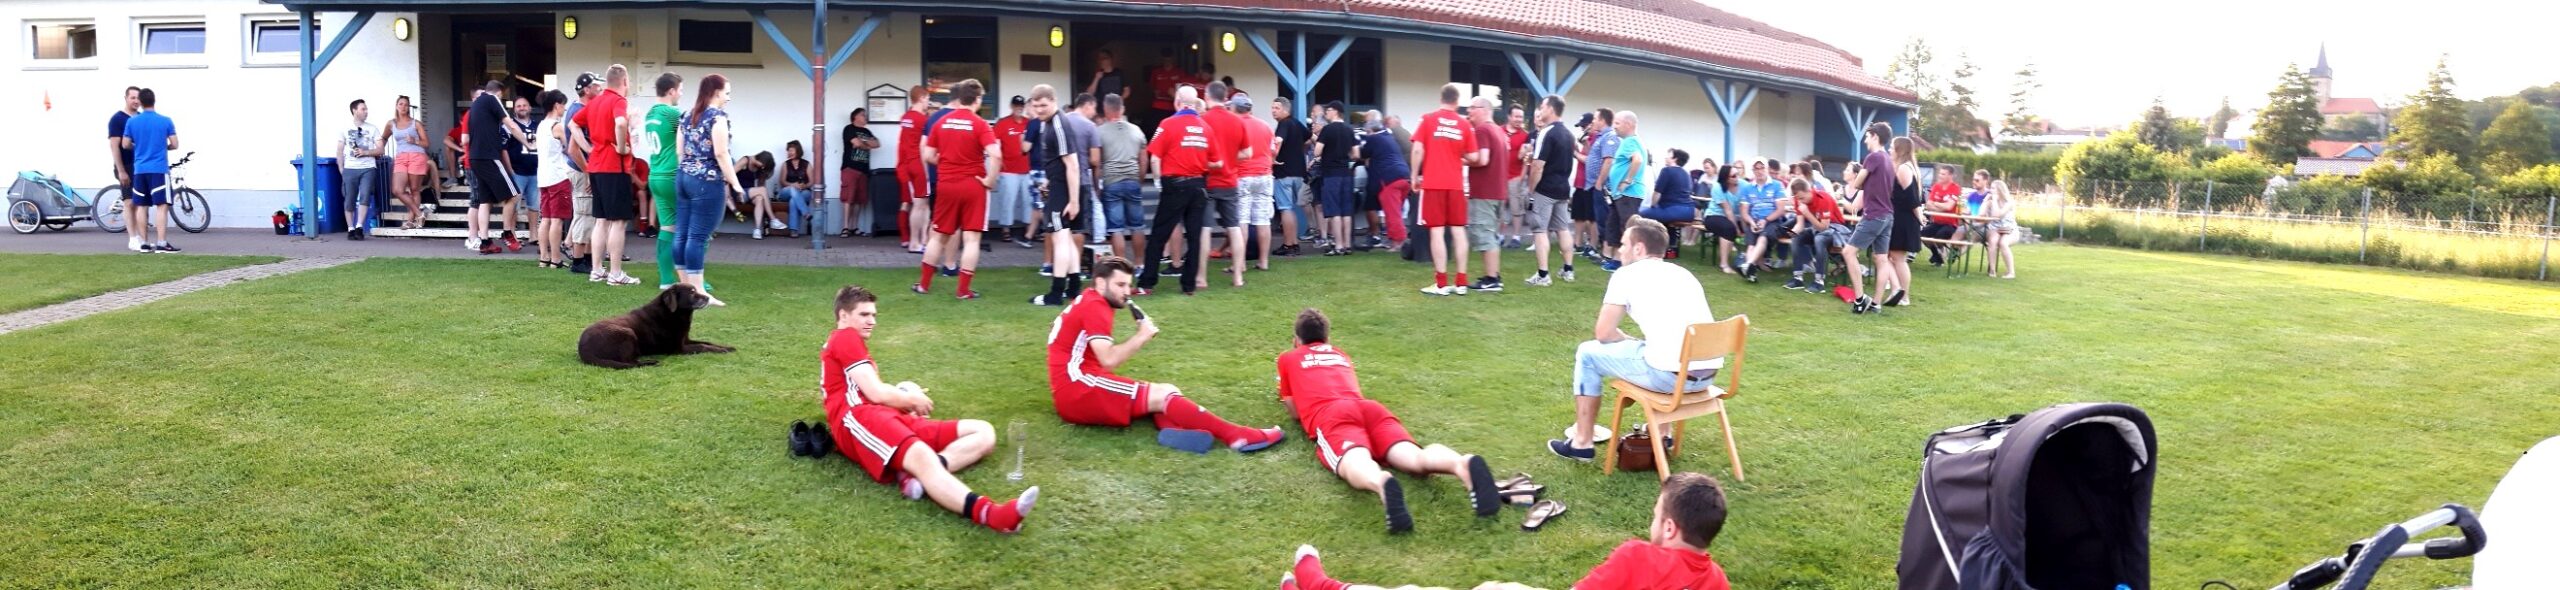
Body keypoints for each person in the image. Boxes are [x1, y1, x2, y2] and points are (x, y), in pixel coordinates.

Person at [820, 285, 1040, 533]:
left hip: (879, 415)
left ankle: (916, 477)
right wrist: (911, 399)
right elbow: (876, 393)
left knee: (984, 433)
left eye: (874, 315)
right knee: (922, 455)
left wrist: (907, 396)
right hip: (860, 419)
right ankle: (992, 514)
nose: (872, 321)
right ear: (843, 315)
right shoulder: (845, 337)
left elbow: (872, 390)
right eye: (864, 315)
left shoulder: (846, 341)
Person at [1281, 472, 1731, 590]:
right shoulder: (1717, 581)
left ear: (1669, 526)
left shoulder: (1638, 556)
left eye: (1655, 514)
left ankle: (1322, 586)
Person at [1278, 308, 1503, 534]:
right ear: (1327, 338)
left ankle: (1379, 481)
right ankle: (1460, 463)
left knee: (1353, 459)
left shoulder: (1288, 358)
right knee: (1413, 455)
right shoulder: (1340, 354)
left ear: (1296, 340)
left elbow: (1295, 411)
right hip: (1370, 408)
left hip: (1332, 414)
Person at [1046, 256, 1285, 452]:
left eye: (1128, 285)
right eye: (1120, 285)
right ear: (1100, 283)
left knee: (1167, 390)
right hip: (1078, 389)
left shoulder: (1089, 299)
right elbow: (1108, 360)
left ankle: (1173, 430)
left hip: (1075, 385)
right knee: (1164, 394)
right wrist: (1142, 335)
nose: (1127, 292)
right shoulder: (1096, 306)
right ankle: (1237, 436)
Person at [1547, 218, 1717, 461]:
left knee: (1587, 353)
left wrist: (1625, 339)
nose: (1620, 250)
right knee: (1657, 348)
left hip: (1670, 377)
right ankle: (1663, 433)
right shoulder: (1684, 274)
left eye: (1624, 244)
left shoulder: (1625, 275)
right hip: (1707, 375)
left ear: (1639, 248)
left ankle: (1582, 442)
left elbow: (1603, 333)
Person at [914, 79, 1002, 300]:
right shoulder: (980, 124)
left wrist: (946, 162)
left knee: (938, 236)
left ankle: (924, 285)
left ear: (959, 98)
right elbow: (996, 154)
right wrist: (990, 180)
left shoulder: (941, 122)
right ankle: (963, 290)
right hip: (974, 185)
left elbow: (928, 155)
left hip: (947, 184)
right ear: (977, 99)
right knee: (972, 239)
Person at [1135, 85, 1218, 296]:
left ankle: (1147, 283)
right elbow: (1216, 161)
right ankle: (1188, 285)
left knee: (1159, 234)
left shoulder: (1168, 124)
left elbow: (1155, 157)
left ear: (1178, 102)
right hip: (1198, 185)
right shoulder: (1205, 127)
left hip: (1175, 184)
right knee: (1195, 236)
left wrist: (1158, 181)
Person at [674, 74, 739, 306]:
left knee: (682, 234)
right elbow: (721, 153)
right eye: (727, 93)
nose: (728, 98)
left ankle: (684, 288)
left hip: (683, 177)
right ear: (716, 92)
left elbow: (679, 151)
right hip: (707, 181)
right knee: (697, 237)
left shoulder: (686, 115)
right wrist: (735, 183)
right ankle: (699, 292)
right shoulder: (717, 117)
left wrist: (687, 170)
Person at [1028, 86, 1093, 306]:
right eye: (1035, 106)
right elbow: (1059, 163)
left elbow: (1072, 164)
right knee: (1065, 237)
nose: (1039, 110)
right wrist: (1049, 181)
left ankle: (1055, 294)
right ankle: (1074, 289)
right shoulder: (1049, 123)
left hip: (1065, 190)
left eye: (1043, 105)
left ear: (1054, 101)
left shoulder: (1058, 125)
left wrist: (1073, 200)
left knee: (1060, 238)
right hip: (1061, 186)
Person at [583, 66, 641, 285]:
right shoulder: (618, 101)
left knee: (601, 221)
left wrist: (589, 148)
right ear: (624, 81)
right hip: (615, 168)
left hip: (596, 166)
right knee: (617, 222)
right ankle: (616, 274)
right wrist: (622, 147)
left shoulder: (594, 102)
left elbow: (573, 125)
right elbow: (620, 122)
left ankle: (597, 270)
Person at [1521, 95, 1579, 286]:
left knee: (1540, 230)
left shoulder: (1546, 132)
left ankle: (1543, 275)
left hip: (1545, 190)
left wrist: (1531, 190)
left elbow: (1537, 166)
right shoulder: (1569, 134)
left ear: (1551, 109)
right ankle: (1568, 270)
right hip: (1563, 189)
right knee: (1563, 229)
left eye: (1542, 107)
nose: (1539, 110)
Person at [645, 73, 695, 289]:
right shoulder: (673, 113)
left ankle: (666, 279)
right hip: (672, 175)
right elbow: (693, 133)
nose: (681, 94)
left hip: (655, 174)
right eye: (680, 90)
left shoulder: (650, 113)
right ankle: (695, 280)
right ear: (671, 91)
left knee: (668, 227)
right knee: (696, 227)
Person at [1841, 122, 1897, 314]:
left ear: (1875, 136)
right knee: (1881, 259)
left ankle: (1860, 299)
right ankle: (1876, 304)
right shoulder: (1888, 159)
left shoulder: (1873, 157)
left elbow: (1857, 183)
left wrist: (1863, 181)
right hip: (1888, 215)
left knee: (1848, 252)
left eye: (1867, 136)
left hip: (1874, 215)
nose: (1865, 139)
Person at [1198, 82, 1249, 290]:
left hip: (1208, 180)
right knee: (1234, 227)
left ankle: (1201, 277)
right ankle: (1237, 277)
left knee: (1204, 229)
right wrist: (1229, 158)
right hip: (1230, 180)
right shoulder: (1237, 120)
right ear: (1226, 97)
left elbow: (1198, 152)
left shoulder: (1202, 120)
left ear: (1207, 97)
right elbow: (1247, 153)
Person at [1459, 94, 1508, 293]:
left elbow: (1482, 159)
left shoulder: (1482, 130)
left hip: (1484, 192)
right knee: (1490, 234)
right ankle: (1493, 275)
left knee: (1484, 235)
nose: (1468, 111)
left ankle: (1492, 280)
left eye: (1473, 107)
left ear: (1485, 110)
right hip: (1497, 191)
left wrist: (1459, 159)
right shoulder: (1498, 130)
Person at [462, 81, 518, 255]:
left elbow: (465, 139)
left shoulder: (473, 110)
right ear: (498, 93)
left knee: (484, 201)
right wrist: (528, 143)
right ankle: (506, 232)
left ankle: (484, 241)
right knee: (513, 195)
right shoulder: (490, 101)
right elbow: (510, 125)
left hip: (474, 159)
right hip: (488, 157)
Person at [121, 88, 180, 253]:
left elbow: (125, 144)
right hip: (159, 169)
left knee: (141, 205)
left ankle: (145, 244)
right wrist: (164, 147)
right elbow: (175, 144)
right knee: (162, 205)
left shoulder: (132, 122)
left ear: (140, 102)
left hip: (140, 170)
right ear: (154, 101)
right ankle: (161, 243)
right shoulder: (165, 121)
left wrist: (139, 147)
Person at [1094, 94, 1149, 261]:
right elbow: (1144, 160)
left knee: (1116, 228)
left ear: (1105, 109)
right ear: (1122, 109)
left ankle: (1121, 264)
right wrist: (1139, 179)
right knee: (1137, 226)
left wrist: (1097, 186)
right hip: (1133, 180)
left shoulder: (1099, 132)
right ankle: (1139, 264)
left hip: (1111, 181)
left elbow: (1097, 163)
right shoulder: (1136, 130)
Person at [1231, 95, 1280, 276]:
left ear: (1234, 108)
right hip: (1264, 176)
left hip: (1243, 175)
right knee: (1263, 220)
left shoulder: (1235, 126)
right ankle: (1263, 261)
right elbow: (1273, 151)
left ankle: (1241, 263)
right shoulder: (1265, 126)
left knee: (1241, 220)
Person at [1782, 178, 1857, 295]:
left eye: (1802, 198)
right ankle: (1798, 278)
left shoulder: (1823, 198)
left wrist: (1807, 213)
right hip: (1816, 228)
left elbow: (1824, 227)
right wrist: (1791, 233)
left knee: (1819, 239)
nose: (1800, 201)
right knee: (1797, 238)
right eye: (1798, 198)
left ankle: (1819, 281)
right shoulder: (1799, 199)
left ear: (1809, 191)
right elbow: (1800, 225)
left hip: (1836, 229)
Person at [1600, 111, 1652, 272]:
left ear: (1628, 124)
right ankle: (1617, 261)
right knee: (1615, 226)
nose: (1614, 127)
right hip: (1621, 194)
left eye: (1617, 123)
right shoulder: (1630, 141)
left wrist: (1627, 180)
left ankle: (1632, 263)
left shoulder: (1630, 141)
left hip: (1629, 193)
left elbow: (1638, 160)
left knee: (1629, 229)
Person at [1311, 101, 1360, 256]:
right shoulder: (1349, 129)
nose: (1326, 112)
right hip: (1346, 173)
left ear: (1336, 111)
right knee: (1346, 211)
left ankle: (1338, 245)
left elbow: (1317, 151)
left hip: (1331, 174)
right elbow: (1356, 154)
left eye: (1328, 110)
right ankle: (1347, 245)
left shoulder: (1327, 129)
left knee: (1334, 210)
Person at [536, 90, 577, 271]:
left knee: (545, 219)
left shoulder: (541, 125)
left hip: (543, 177)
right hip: (558, 176)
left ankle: (544, 258)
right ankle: (555, 259)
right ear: (556, 105)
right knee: (557, 220)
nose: (564, 109)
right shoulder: (557, 126)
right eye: (563, 105)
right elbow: (569, 148)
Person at [1734, 160, 1795, 281]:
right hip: (1754, 220)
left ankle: (1748, 264)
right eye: (1756, 168)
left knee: (1763, 237)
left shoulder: (1777, 185)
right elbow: (1744, 212)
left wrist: (1765, 220)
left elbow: (1780, 210)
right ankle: (1751, 273)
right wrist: (1751, 222)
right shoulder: (1747, 188)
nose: (1759, 171)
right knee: (1751, 244)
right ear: (1753, 171)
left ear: (1767, 169)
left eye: (1762, 168)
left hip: (1772, 221)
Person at [1358, 114, 1410, 252]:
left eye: (1367, 132)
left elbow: (1361, 153)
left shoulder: (1374, 138)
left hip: (1390, 179)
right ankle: (1394, 239)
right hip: (1404, 176)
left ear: (1370, 131)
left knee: (1392, 213)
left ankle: (1398, 242)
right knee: (1396, 212)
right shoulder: (1388, 137)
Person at [1269, 97, 1311, 256]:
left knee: (1285, 208)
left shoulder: (1284, 124)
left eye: (1277, 108)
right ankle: (1294, 244)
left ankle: (1288, 245)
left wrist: (1272, 159)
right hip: (1299, 173)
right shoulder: (1296, 123)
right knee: (1291, 208)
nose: (1273, 111)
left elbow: (1278, 141)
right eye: (1272, 108)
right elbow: (1310, 138)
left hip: (1284, 172)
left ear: (1286, 110)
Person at [1885, 136, 1924, 307]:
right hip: (1900, 218)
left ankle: (1904, 295)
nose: (1889, 150)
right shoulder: (1906, 167)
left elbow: (1912, 198)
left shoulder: (1903, 169)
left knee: (1898, 258)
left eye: (1892, 147)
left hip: (1903, 220)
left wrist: (1919, 217)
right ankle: (1896, 289)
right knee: (1886, 255)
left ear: (1899, 150)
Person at [992, 95, 1035, 248]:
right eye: (1016, 105)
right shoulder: (1002, 123)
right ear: (1011, 106)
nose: (1019, 108)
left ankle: (1028, 229)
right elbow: (995, 146)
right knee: (1007, 200)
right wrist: (997, 166)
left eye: (1021, 105)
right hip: (1008, 170)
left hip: (1028, 169)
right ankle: (1006, 229)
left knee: (1028, 201)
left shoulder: (1029, 123)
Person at [385, 95, 433, 231]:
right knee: (397, 190)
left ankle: (410, 221)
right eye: (401, 104)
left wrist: (414, 140)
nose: (403, 107)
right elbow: (383, 137)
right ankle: (419, 214)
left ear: (409, 107)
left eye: (406, 104)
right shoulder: (391, 123)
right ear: (396, 106)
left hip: (417, 156)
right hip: (401, 157)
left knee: (414, 189)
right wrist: (377, 148)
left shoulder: (416, 123)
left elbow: (426, 143)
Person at [336, 98, 381, 241]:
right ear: (354, 111)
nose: (366, 112)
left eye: (366, 109)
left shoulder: (373, 129)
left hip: (368, 167)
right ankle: (350, 228)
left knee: (365, 195)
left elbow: (381, 150)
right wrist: (341, 168)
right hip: (350, 168)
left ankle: (359, 226)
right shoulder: (344, 128)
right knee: (349, 198)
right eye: (363, 109)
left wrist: (365, 152)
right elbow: (339, 150)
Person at [1578, 109, 1619, 260]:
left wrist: (1599, 183)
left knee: (1605, 219)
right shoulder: (1600, 137)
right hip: (1594, 184)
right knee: (1600, 219)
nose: (1593, 121)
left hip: (1602, 186)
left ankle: (1607, 254)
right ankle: (1605, 253)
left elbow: (1608, 161)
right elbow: (1594, 157)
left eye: (1595, 118)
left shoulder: (1609, 137)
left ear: (1602, 120)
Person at [108, 87, 144, 251]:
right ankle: (133, 238)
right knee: (129, 202)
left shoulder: (141, 118)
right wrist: (121, 170)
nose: (136, 101)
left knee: (140, 203)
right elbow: (114, 146)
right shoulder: (118, 119)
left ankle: (142, 237)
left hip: (141, 166)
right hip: (126, 165)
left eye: (138, 98)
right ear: (126, 98)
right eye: (133, 98)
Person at [507, 95, 544, 243]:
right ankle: (512, 236)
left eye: (524, 105)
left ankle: (533, 235)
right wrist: (509, 169)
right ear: (514, 109)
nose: (522, 108)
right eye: (518, 106)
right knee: (513, 206)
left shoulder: (538, 125)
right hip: (517, 172)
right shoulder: (510, 126)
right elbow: (503, 149)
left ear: (530, 108)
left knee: (534, 206)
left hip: (535, 171)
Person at [839, 109, 880, 238]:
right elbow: (856, 143)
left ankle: (854, 227)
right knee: (848, 198)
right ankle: (845, 227)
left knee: (859, 200)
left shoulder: (867, 131)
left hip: (864, 170)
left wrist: (863, 144)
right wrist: (867, 144)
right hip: (850, 168)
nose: (865, 117)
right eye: (863, 115)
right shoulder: (849, 129)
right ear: (855, 117)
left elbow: (877, 144)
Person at [1698, 164, 1744, 274]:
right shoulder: (1717, 187)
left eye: (1737, 174)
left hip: (1735, 217)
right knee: (1728, 228)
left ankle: (1750, 261)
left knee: (1750, 228)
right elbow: (1728, 210)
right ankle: (1724, 264)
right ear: (1726, 178)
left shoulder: (1743, 185)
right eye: (1733, 176)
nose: (1737, 177)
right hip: (1714, 216)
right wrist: (1736, 228)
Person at [1921, 164, 1967, 266]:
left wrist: (1936, 204)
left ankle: (1943, 254)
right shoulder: (1936, 187)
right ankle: (1937, 256)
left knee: (1940, 236)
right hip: (1937, 222)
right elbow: (1928, 205)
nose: (1940, 176)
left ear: (1950, 175)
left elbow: (1949, 207)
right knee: (1923, 234)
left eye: (1943, 174)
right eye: (1940, 173)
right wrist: (1941, 206)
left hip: (1950, 224)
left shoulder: (1955, 188)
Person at [1638, 148, 1697, 226]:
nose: (1665, 158)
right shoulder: (1686, 173)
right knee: (1662, 216)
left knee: (1640, 213)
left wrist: (1652, 206)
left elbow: (1657, 193)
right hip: (1689, 212)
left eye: (1668, 156)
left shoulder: (1667, 170)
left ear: (1675, 159)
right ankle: (1670, 234)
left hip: (1673, 211)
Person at [1504, 106, 1532, 248]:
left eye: (1521, 117)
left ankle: (1516, 237)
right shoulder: (1499, 131)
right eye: (1516, 116)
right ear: (1509, 117)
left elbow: (1527, 159)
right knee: (1500, 209)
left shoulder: (1526, 136)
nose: (1519, 120)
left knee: (1517, 209)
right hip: (1500, 178)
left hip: (1516, 178)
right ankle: (1500, 236)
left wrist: (1521, 177)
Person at [1981, 179, 2020, 279]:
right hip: (1995, 229)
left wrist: (1994, 201)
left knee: (2003, 243)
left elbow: (1997, 215)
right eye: (1991, 188)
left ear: (2000, 190)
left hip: (2009, 229)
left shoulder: (2009, 202)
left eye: (1993, 188)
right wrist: (1985, 201)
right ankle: (1992, 270)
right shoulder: (1990, 202)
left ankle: (2011, 272)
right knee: (1992, 241)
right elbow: (1981, 214)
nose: (1991, 190)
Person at [779, 141, 816, 239]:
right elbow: (782, 181)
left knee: (793, 201)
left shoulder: (807, 164)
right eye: (788, 151)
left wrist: (804, 186)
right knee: (792, 190)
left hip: (804, 192)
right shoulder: (785, 164)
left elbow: (812, 182)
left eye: (791, 150)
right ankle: (806, 213)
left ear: (798, 151)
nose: (789, 153)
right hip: (787, 192)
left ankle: (793, 230)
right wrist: (793, 185)